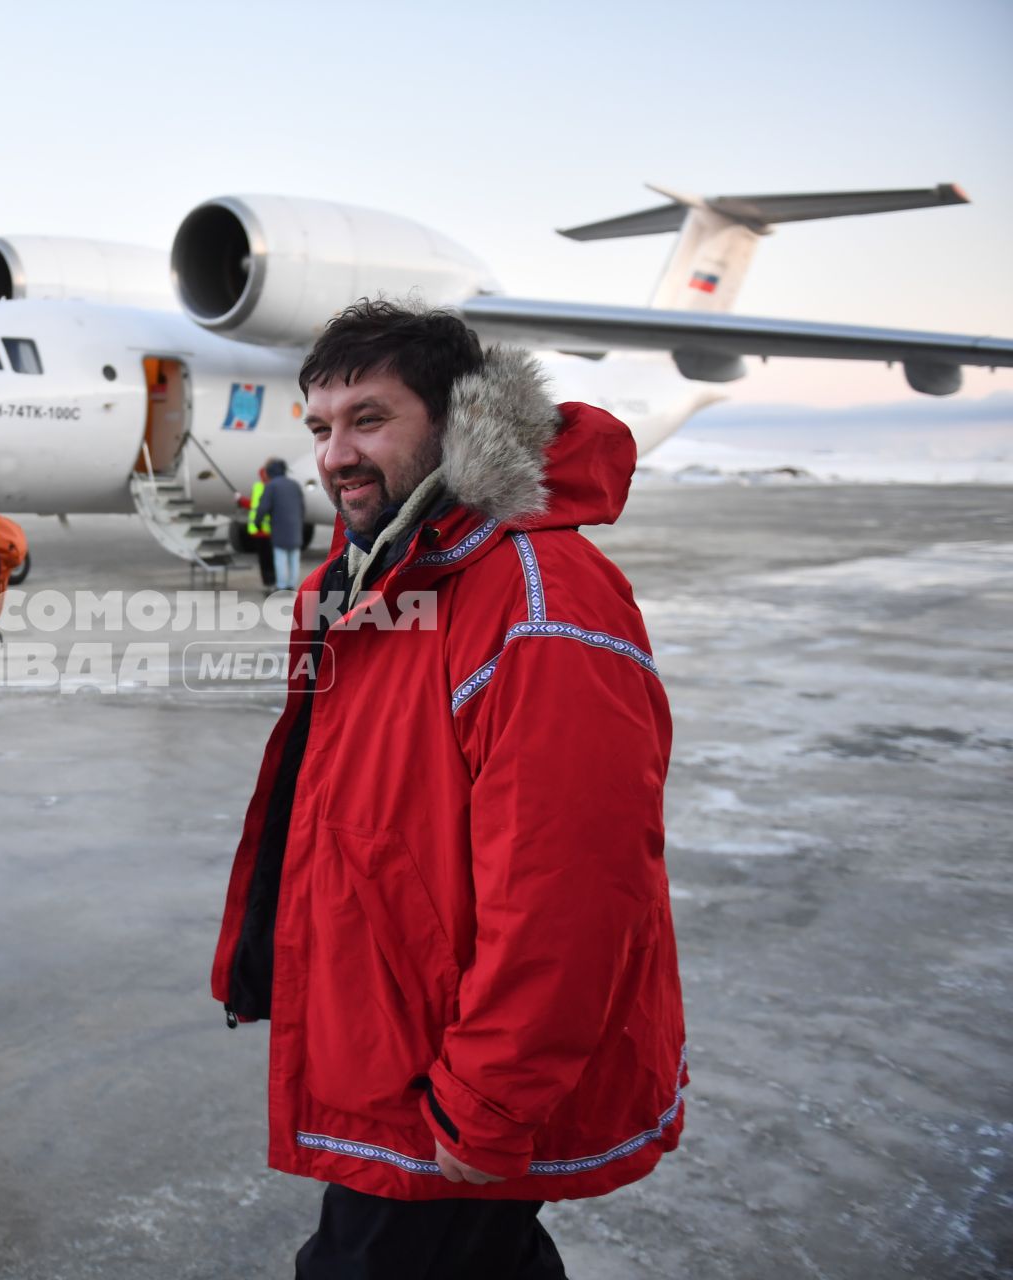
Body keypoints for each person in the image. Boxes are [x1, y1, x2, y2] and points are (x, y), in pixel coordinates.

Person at [210, 300, 684, 1277]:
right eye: (321, 426)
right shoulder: (370, 580)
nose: (336, 452)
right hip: (397, 1039)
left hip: (453, 1072)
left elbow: (573, 888)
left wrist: (492, 1098)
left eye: (369, 419)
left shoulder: (534, 596)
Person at [257, 458, 306, 593]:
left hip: (279, 529)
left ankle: (281, 585)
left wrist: (257, 523)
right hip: (295, 528)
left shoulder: (271, 486)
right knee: (294, 558)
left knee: (280, 557)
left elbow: (263, 508)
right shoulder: (295, 485)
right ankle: (292, 585)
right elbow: (302, 508)